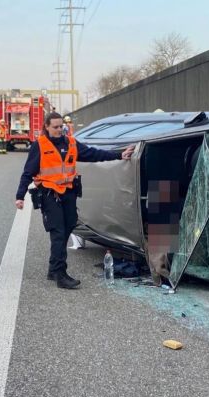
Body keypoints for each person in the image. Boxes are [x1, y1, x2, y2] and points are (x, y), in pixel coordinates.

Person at [15, 112, 134, 289]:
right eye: (55, 127)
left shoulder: (71, 142)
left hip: (68, 193)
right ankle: (60, 275)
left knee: (70, 225)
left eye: (60, 126)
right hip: (49, 194)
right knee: (59, 232)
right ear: (46, 127)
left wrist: (118, 155)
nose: (59, 130)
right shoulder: (39, 145)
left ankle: (53, 269)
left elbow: (93, 154)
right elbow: (28, 172)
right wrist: (20, 195)